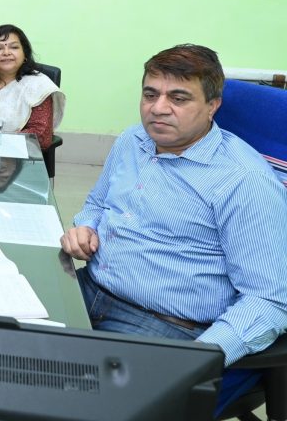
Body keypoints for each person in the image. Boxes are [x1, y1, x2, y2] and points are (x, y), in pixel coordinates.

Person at [60, 44, 287, 417]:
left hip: (164, 326)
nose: (158, 108)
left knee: (75, 409)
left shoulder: (243, 182)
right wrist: (85, 225)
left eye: (178, 98)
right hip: (88, 291)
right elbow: (98, 204)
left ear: (212, 106)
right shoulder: (133, 140)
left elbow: (269, 302)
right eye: (150, 94)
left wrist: (195, 358)